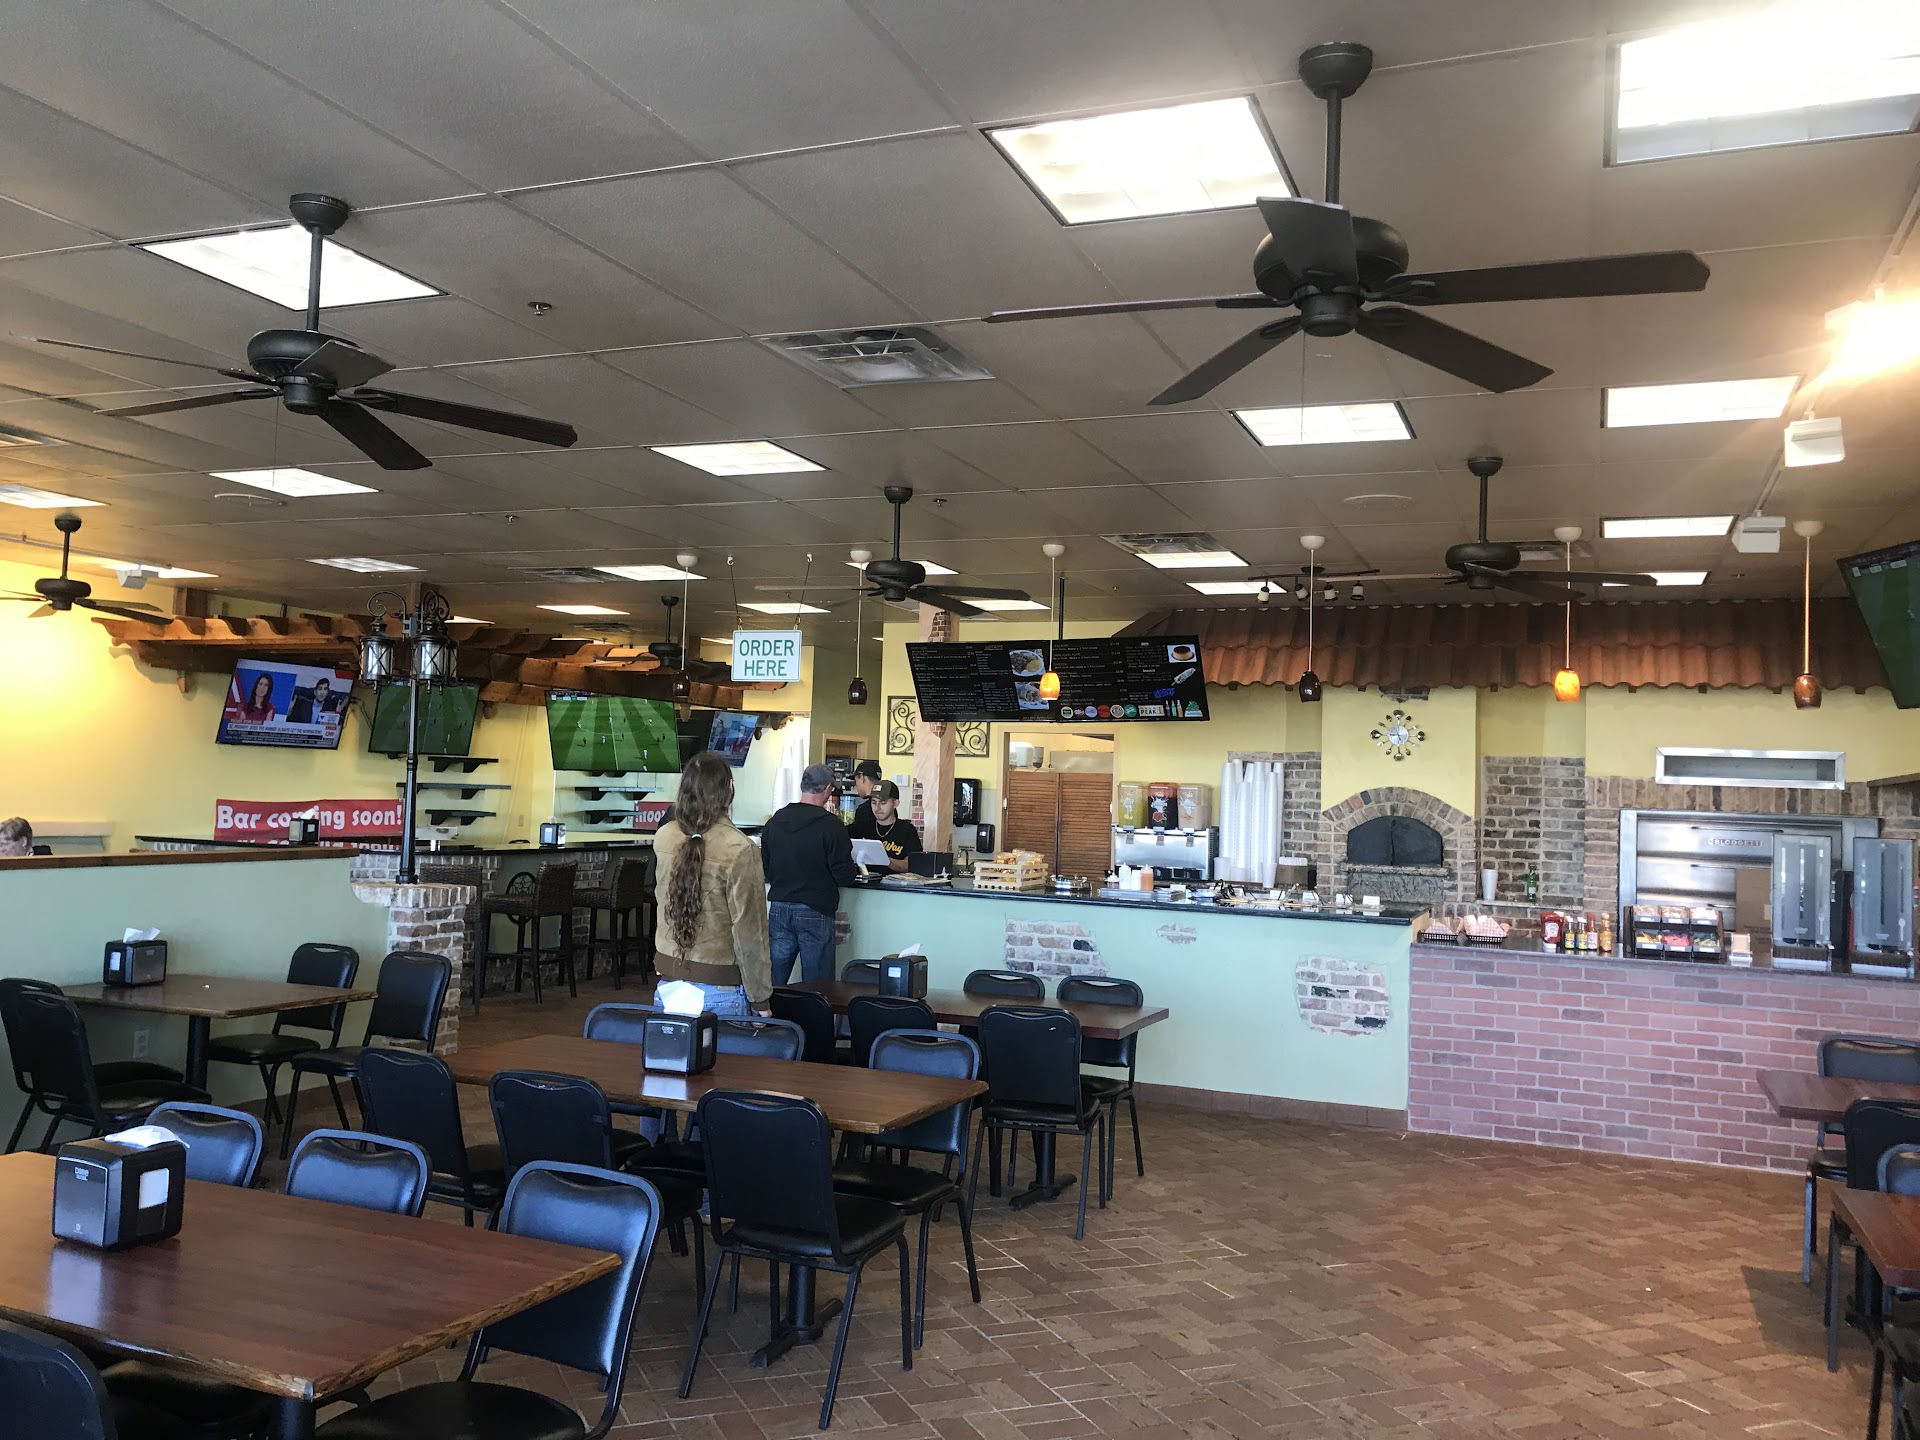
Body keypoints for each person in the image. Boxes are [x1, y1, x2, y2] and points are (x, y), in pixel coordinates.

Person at [650, 751, 771, 1017]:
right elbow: (750, 932)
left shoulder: (664, 837)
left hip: (668, 982)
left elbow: (663, 902)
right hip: (721, 985)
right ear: (729, 790)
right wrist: (760, 1000)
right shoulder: (740, 848)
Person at [761, 762, 860, 985]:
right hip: (815, 909)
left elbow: (765, 867)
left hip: (779, 908)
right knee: (817, 985)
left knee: (772, 982)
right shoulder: (831, 826)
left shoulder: (776, 821)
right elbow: (844, 875)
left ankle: (767, 1010)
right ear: (827, 790)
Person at [847, 780, 923, 872]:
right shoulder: (861, 827)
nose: (877, 808)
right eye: (874, 802)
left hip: (894, 881)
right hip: (865, 880)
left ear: (895, 803)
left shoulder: (907, 830)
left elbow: (914, 865)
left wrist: (885, 860)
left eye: (883, 803)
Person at [848, 758, 883, 828]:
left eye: (855, 780)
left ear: (862, 777)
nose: (855, 785)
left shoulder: (864, 810)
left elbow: (858, 832)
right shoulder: (889, 806)